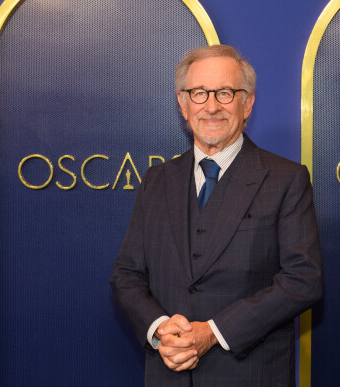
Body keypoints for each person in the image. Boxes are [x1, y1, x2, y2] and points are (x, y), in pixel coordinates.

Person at [110, 44, 322, 387]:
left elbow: (303, 281)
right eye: (199, 93)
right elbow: (127, 275)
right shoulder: (156, 180)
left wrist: (212, 332)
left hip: (249, 374)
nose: (211, 106)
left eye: (225, 93)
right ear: (183, 103)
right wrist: (160, 328)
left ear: (247, 103)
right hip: (168, 373)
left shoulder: (286, 179)